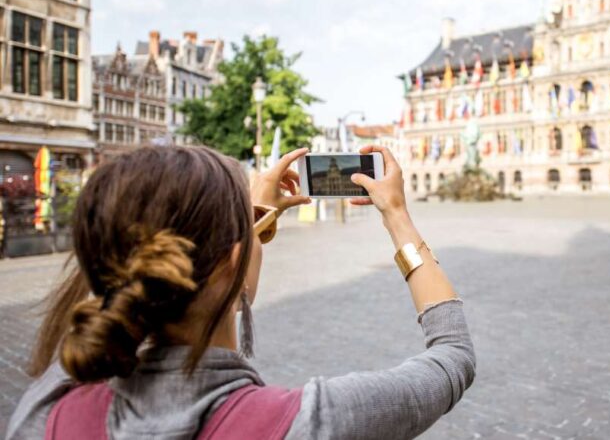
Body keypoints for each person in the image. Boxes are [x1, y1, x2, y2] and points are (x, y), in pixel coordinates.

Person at [5, 145, 474, 439]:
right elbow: (453, 357)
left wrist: (240, 220)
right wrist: (396, 215)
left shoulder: (49, 412)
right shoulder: (311, 423)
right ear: (233, 263)